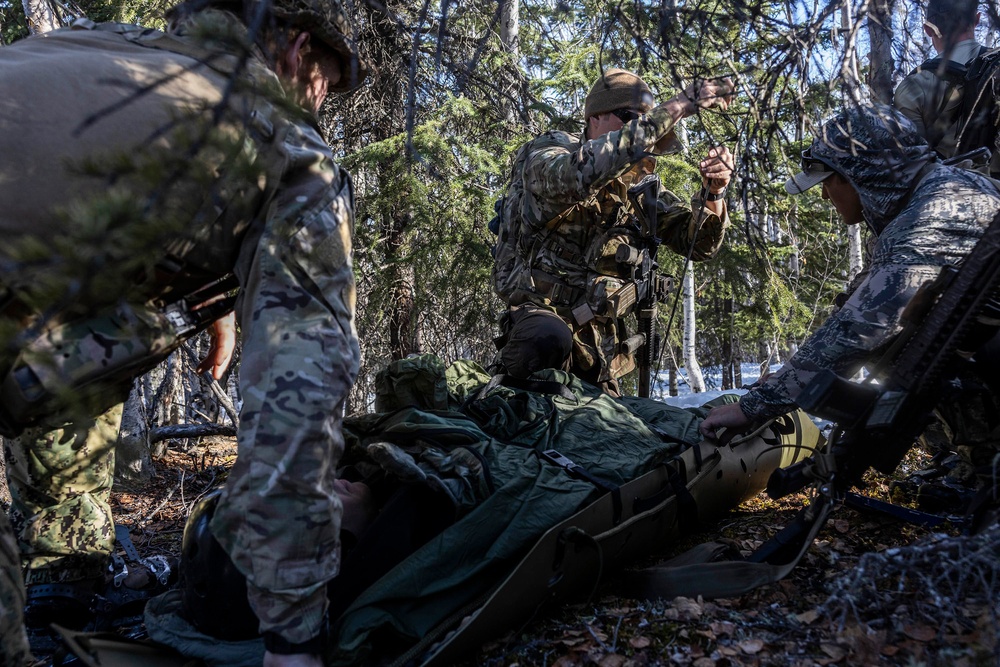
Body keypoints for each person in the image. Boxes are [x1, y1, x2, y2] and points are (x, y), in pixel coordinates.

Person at [0, 0, 367, 664]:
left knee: (115, 319)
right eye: (327, 83)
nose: (324, 104)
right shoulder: (283, 142)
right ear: (295, 52)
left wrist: (208, 294)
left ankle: (60, 574)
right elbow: (295, 399)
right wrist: (293, 638)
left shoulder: (101, 49)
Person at [699, 105, 1000, 496]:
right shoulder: (936, 193)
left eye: (829, 181)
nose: (824, 195)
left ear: (861, 176)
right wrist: (788, 377)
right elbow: (859, 301)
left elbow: (863, 326)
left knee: (918, 353)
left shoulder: (930, 217)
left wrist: (752, 409)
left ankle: (988, 475)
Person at [492, 68, 735, 396]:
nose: (639, 127)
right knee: (547, 342)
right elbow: (580, 174)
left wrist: (714, 193)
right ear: (595, 117)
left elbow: (699, 245)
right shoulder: (552, 153)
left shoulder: (639, 189)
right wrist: (679, 105)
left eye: (644, 119)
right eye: (627, 117)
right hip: (541, 332)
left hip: (599, 353)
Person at [893, 0, 997, 171]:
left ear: (928, 29)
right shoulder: (997, 66)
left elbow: (911, 164)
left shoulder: (914, 86)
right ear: (976, 19)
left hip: (951, 192)